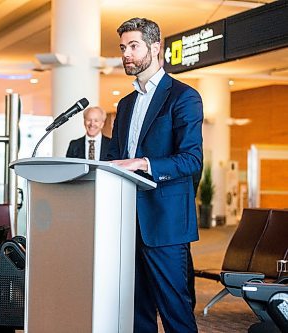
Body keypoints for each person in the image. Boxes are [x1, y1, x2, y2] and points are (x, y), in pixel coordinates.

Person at [108, 18, 203, 332]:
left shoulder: (183, 96)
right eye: (123, 48)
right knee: (136, 314)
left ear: (155, 47)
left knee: (176, 314)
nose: (127, 54)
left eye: (133, 46)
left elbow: (191, 160)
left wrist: (143, 163)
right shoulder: (125, 105)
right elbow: (114, 160)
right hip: (127, 225)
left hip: (165, 224)